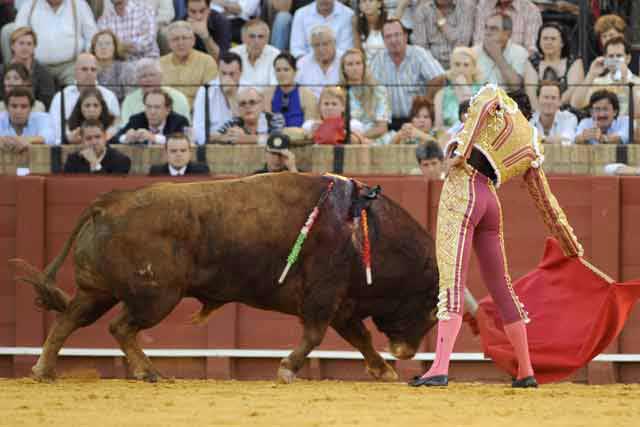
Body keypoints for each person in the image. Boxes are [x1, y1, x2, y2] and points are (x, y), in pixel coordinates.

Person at [409, 84, 583, 389]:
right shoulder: (532, 145)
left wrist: (460, 154)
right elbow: (547, 203)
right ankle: (526, 370)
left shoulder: (498, 100)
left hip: (464, 189)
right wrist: (571, 246)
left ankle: (439, 367)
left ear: (513, 104)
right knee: (503, 289)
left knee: (451, 280)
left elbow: (486, 103)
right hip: (490, 200)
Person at [370, 18, 445, 131]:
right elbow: (370, 87)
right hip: (388, 123)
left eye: (397, 35)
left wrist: (423, 102)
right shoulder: (378, 59)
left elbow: (439, 78)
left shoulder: (418, 53)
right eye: (388, 36)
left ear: (405, 36)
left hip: (416, 121)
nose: (393, 40)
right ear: (384, 41)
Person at [12, 0, 97, 86]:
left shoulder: (79, 5)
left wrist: (86, 60)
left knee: (78, 92)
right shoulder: (29, 5)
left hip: (71, 65)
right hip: (37, 65)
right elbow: (18, 35)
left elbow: (91, 37)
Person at [49, 53, 120, 145]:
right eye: (84, 69)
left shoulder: (109, 96)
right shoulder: (61, 97)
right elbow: (55, 134)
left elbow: (115, 128)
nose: (89, 73)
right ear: (75, 72)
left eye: (93, 69)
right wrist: (68, 139)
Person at [571, 37, 640, 117]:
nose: (615, 60)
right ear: (605, 58)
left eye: (619, 56)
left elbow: (638, 113)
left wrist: (625, 80)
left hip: (629, 127)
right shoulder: (598, 82)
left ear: (628, 58)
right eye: (611, 56)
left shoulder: (638, 82)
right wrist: (591, 75)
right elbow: (575, 104)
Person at [524, 22, 584, 111]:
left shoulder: (574, 62)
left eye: (553, 39)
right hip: (537, 112)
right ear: (539, 41)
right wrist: (540, 116)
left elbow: (572, 91)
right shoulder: (532, 62)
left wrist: (551, 109)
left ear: (562, 43)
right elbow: (531, 96)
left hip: (566, 113)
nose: (548, 42)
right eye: (545, 38)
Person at [159, 20, 218, 107]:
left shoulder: (207, 61)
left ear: (193, 40)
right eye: (175, 39)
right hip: (167, 113)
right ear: (169, 43)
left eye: (185, 38)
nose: (180, 43)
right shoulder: (159, 64)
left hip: (197, 113)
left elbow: (210, 95)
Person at [339, 48, 390, 144]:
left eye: (358, 63)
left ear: (364, 66)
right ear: (343, 69)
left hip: (374, 140)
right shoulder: (337, 92)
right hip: (346, 140)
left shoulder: (379, 91)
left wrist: (359, 138)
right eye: (350, 64)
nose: (355, 68)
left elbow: (382, 128)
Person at [192, 52, 243, 144]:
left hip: (242, 145)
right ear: (218, 72)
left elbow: (250, 127)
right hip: (213, 145)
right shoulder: (205, 91)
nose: (227, 78)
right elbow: (197, 131)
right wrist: (221, 138)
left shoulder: (250, 90)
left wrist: (232, 96)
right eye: (223, 73)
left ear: (240, 73)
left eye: (232, 74)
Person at [120, 58, 191, 124]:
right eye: (143, 76)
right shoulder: (129, 100)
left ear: (161, 76)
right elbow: (126, 128)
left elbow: (186, 128)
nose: (148, 79)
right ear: (137, 80)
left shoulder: (178, 97)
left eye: (152, 75)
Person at [0, 26, 55, 109]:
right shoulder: (2, 70)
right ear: (12, 46)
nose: (25, 47)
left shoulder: (43, 73)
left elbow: (47, 102)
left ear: (34, 47)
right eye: (21, 43)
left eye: (29, 44)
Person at [412, 0, 476, 69]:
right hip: (432, 66)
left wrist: (443, 24)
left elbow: (462, 43)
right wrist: (433, 69)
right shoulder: (422, 10)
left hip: (460, 64)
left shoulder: (466, 6)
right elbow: (421, 49)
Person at [113, 88, 190, 144]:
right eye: (148, 107)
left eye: (157, 107)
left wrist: (153, 138)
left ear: (168, 109)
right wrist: (125, 138)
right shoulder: (136, 120)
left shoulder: (180, 121)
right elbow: (114, 138)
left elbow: (186, 141)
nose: (152, 112)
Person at [262, 51, 319, 128]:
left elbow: (308, 130)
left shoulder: (307, 96)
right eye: (278, 70)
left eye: (286, 70)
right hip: (273, 137)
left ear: (295, 71)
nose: (282, 74)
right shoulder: (267, 94)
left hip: (299, 138)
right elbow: (265, 126)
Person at [433, 47, 482, 132]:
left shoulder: (482, 91)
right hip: (449, 138)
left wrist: (464, 87)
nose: (461, 69)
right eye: (457, 64)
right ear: (451, 67)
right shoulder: (441, 94)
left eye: (466, 65)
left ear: (473, 68)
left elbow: (477, 119)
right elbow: (438, 128)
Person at [473, 13, 528, 90]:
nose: (487, 32)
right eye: (486, 28)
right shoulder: (473, 52)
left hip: (508, 99)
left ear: (507, 34)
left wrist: (498, 57)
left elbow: (516, 87)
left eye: (493, 29)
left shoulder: (519, 52)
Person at [302, 85, 366, 144]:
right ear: (320, 107)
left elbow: (358, 130)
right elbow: (305, 128)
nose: (330, 108)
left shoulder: (353, 125)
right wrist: (312, 131)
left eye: (334, 104)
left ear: (343, 107)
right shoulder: (310, 125)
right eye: (326, 104)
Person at [210, 86, 275, 145]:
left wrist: (244, 138)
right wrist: (225, 137)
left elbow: (278, 140)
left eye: (252, 102)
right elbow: (210, 138)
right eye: (243, 103)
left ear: (261, 104)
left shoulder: (274, 119)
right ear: (238, 108)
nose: (247, 106)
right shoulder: (234, 122)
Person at [473, 0, 542, 54]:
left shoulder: (531, 10)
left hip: (516, 66)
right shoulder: (483, 6)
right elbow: (478, 43)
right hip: (485, 63)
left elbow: (530, 49)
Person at [63, 119, 131, 174]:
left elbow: (111, 188)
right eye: (88, 138)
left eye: (97, 137)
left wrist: (95, 164)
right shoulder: (73, 160)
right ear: (82, 141)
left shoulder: (121, 160)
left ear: (105, 137)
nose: (94, 142)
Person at [230, 19, 280, 89]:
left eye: (261, 37)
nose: (256, 41)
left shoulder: (276, 55)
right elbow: (229, 83)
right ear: (243, 38)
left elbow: (274, 87)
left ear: (267, 39)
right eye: (252, 36)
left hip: (266, 98)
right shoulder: (233, 54)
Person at [295, 25, 342, 99]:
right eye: (316, 45)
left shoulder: (345, 60)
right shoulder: (302, 64)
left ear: (334, 43)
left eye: (325, 44)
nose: (321, 49)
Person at [90, 29, 136, 102]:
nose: (103, 47)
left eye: (108, 43)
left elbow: (131, 99)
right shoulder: (89, 70)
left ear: (115, 47)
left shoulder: (126, 69)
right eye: (99, 44)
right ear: (94, 48)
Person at [530, 81, 577, 145]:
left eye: (553, 98)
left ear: (560, 101)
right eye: (545, 97)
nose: (549, 102)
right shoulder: (528, 119)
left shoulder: (569, 118)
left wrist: (538, 139)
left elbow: (567, 141)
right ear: (538, 99)